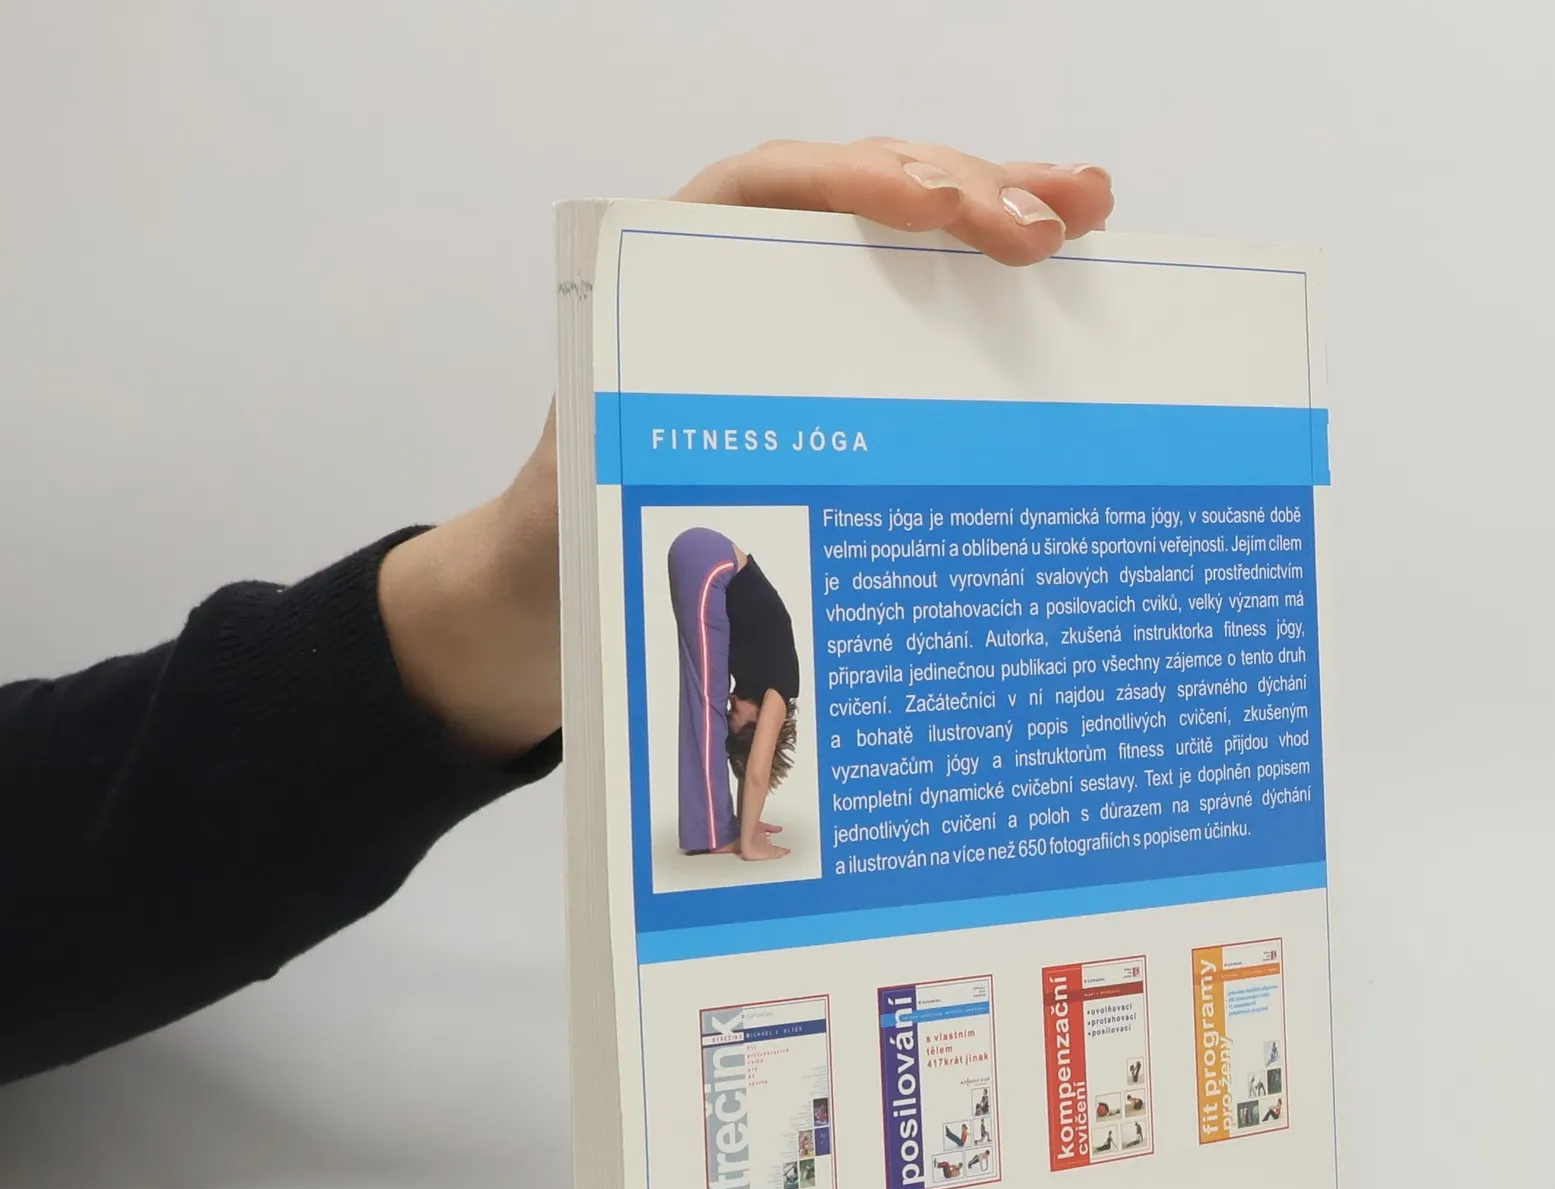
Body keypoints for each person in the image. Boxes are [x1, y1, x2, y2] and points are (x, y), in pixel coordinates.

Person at [0, 140, 1113, 1086]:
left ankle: (701, 781)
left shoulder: (760, 670)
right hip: (718, 569)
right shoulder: (764, 670)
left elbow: (67, 860)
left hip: (710, 571)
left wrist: (512, 601)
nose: (742, 727)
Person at [666, 527, 798, 862]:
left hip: (707, 559)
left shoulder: (759, 682)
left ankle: (718, 827)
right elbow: (757, 770)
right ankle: (713, 833)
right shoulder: (779, 689)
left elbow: (750, 766)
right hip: (711, 563)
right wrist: (748, 844)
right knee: (705, 706)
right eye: (734, 718)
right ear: (757, 719)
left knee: (703, 700)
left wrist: (746, 823)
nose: (730, 708)